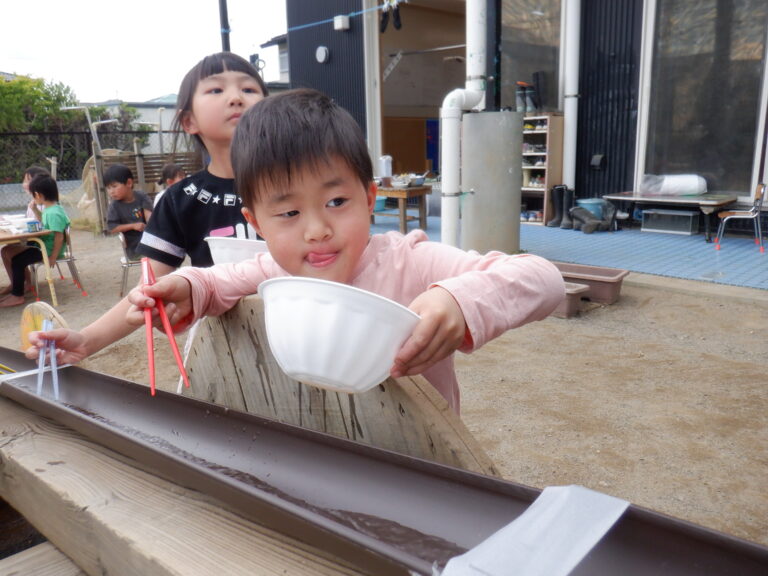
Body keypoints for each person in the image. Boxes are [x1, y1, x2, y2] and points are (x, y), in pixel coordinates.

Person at [27, 89, 564, 413]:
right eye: (288, 213)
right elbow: (209, 282)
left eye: (336, 201)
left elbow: (543, 278)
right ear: (255, 222)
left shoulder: (411, 262)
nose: (317, 231)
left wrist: (457, 300)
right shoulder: (274, 268)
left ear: (369, 197)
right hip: (320, 449)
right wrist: (182, 288)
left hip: (418, 462)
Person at [136, 51, 268, 273]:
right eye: (216, 90)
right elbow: (152, 283)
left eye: (248, 89)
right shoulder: (179, 199)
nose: (236, 98)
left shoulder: (300, 180)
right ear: (189, 121)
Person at [1, 174, 70, 307]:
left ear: (38, 195)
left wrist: (53, 256)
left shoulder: (54, 213)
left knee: (17, 261)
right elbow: (43, 223)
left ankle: (17, 296)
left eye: (33, 195)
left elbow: (59, 236)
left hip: (46, 250)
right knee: (8, 250)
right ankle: (19, 286)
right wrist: (35, 209)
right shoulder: (51, 209)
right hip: (42, 245)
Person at [0, 165, 51, 293]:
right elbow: (29, 222)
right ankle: (17, 283)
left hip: (41, 244)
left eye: (28, 180)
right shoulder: (33, 203)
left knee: (9, 252)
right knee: (6, 250)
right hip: (35, 240)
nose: (24, 184)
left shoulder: (44, 204)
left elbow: (42, 227)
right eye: (24, 180)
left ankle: (23, 285)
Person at [104, 164, 153, 260]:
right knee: (157, 257)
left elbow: (149, 217)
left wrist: (151, 226)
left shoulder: (142, 196)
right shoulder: (114, 206)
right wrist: (133, 226)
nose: (111, 191)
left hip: (151, 241)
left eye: (114, 186)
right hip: (135, 248)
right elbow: (112, 228)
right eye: (108, 188)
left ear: (129, 183)